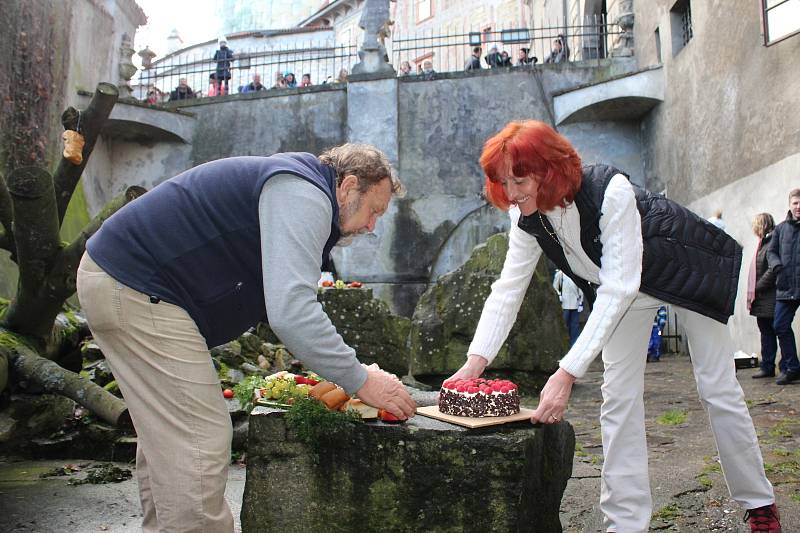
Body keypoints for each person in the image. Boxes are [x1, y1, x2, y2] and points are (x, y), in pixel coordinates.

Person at [448, 120, 781, 532]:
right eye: (504, 182)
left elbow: (619, 284)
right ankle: (626, 524)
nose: (511, 194)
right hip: (626, 292)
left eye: (519, 180)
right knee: (618, 398)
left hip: (684, 273)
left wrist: (567, 371)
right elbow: (507, 290)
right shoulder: (525, 217)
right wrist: (474, 364)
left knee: (718, 388)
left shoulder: (610, 190)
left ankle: (759, 502)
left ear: (549, 170)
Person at [76, 145, 417, 532]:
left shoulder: (296, 186)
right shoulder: (305, 193)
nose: (372, 226)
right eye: (374, 210)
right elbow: (292, 311)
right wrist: (362, 379)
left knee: (169, 437)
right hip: (138, 289)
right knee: (199, 437)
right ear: (349, 185)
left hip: (122, 281)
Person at [767, 189, 800, 385]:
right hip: (786, 286)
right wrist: (778, 267)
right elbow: (771, 252)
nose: (799, 206)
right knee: (779, 325)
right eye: (795, 203)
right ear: (790, 204)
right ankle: (793, 368)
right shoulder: (780, 229)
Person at [749, 213, 779, 378]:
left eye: (755, 225)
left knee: (773, 331)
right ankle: (767, 366)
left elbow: (771, 270)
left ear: (762, 225)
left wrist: (757, 286)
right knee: (766, 332)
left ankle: (772, 366)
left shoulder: (771, 242)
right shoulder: (763, 243)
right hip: (762, 298)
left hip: (769, 296)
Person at [553, 269, 582, 347]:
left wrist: (580, 302)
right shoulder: (560, 274)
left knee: (575, 326)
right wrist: (559, 295)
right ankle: (563, 344)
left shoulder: (576, 274)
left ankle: (574, 345)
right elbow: (554, 287)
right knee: (564, 324)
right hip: (564, 304)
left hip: (575, 304)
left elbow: (580, 289)